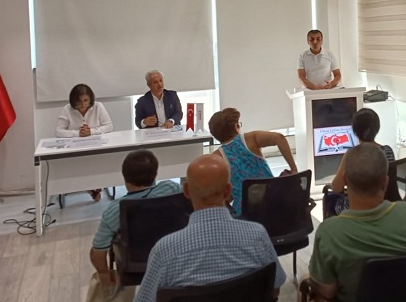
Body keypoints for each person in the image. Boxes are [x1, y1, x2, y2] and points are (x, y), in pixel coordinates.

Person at [134, 154, 286, 302]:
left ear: (186, 190)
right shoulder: (257, 235)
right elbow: (275, 288)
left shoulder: (164, 251)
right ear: (228, 191)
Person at [304, 143, 406, 302]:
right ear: (385, 182)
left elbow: (327, 292)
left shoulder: (330, 232)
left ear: (345, 180)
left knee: (307, 283)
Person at [89, 150, 182, 294]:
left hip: (136, 267)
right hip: (174, 258)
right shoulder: (171, 188)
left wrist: (104, 274)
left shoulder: (115, 210)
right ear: (155, 174)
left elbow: (98, 252)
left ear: (124, 177)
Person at [208, 107, 298, 215]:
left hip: (245, 215)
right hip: (272, 205)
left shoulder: (216, 158)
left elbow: (225, 196)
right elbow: (279, 138)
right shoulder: (250, 139)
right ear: (236, 127)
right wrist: (293, 169)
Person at [329, 108, 396, 215]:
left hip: (356, 208)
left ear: (355, 130)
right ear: (377, 128)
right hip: (384, 205)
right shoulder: (388, 151)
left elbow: (336, 187)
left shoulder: (352, 155)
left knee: (331, 198)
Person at [55, 83, 113, 201]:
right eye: (79, 101)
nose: (83, 104)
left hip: (97, 147)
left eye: (86, 100)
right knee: (80, 166)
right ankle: (90, 188)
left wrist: (92, 131)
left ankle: (96, 187)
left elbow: (109, 126)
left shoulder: (98, 106)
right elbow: (58, 131)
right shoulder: (67, 109)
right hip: (75, 150)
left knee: (100, 163)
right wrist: (77, 133)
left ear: (90, 99)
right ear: (73, 100)